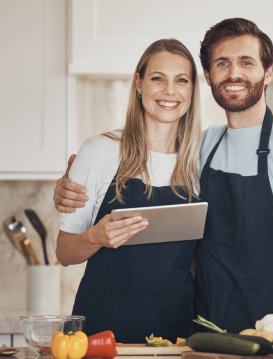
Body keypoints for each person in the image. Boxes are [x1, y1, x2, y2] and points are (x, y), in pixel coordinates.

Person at [54, 18, 273, 334]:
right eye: (223, 63)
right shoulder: (203, 146)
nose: (234, 73)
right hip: (203, 331)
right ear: (208, 76)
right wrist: (67, 189)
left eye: (246, 62)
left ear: (269, 71)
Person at [55, 38, 202, 343]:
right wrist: (95, 236)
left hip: (175, 337)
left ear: (192, 90)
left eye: (182, 80)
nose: (170, 91)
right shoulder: (100, 151)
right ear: (139, 83)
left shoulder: (201, 162)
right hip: (101, 333)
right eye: (157, 78)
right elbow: (64, 252)